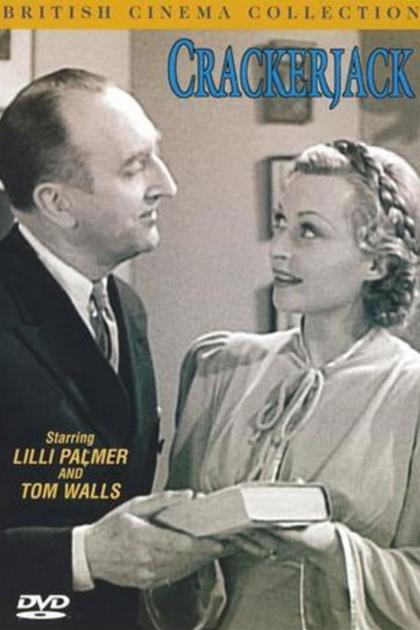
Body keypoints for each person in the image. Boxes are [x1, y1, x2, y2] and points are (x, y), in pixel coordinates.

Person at [148, 140, 420, 629]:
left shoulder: (412, 393)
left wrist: (329, 545)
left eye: (308, 231)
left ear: (377, 263)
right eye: (280, 223)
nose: (278, 249)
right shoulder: (220, 366)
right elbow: (166, 568)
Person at [0, 68, 224, 629]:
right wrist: (83, 555)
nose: (166, 184)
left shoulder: (127, 307)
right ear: (57, 203)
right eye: (133, 167)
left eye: (155, 155)